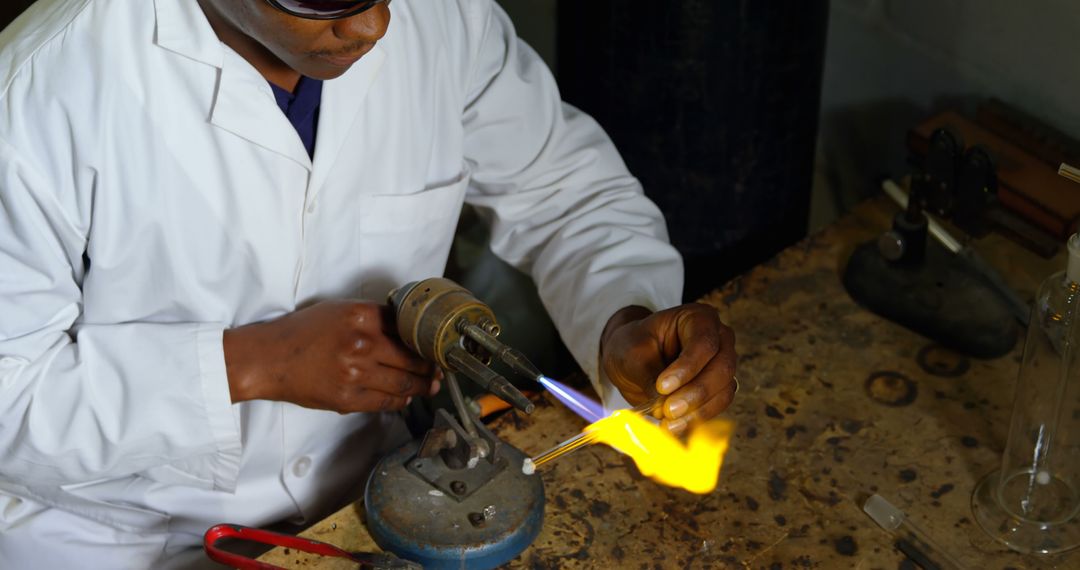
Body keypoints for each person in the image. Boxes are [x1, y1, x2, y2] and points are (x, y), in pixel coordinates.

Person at [0, 0, 738, 567]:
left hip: (366, 499)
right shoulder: (42, 92)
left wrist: (623, 320)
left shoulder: (440, 19)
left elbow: (565, 191)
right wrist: (251, 364)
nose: (375, 26)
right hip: (117, 537)